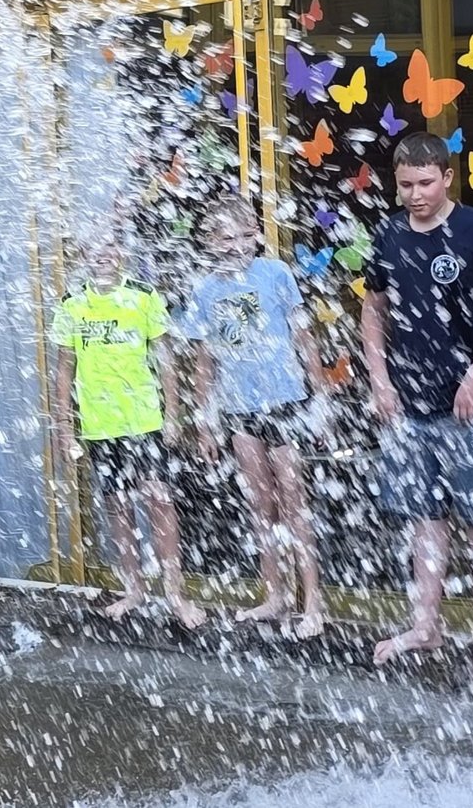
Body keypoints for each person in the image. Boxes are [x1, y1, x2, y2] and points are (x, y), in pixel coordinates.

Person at [362, 133, 473, 675]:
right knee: (423, 518)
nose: (415, 195)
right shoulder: (387, 233)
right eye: (405, 184)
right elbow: (374, 312)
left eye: (425, 183)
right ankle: (427, 624)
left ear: (448, 177)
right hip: (409, 403)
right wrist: (380, 381)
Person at [181, 200, 329, 639]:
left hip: (284, 402)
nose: (235, 246)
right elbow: (204, 360)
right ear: (209, 243)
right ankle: (275, 593)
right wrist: (205, 420)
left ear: (257, 235)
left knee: (293, 502)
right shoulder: (205, 290)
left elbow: (305, 337)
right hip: (239, 409)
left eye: (243, 236)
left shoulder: (276, 274)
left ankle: (313, 601)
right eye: (224, 238)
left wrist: (321, 403)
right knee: (260, 505)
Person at [51, 231, 207, 627]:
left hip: (145, 420)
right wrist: (65, 429)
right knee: (118, 507)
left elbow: (166, 361)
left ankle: (175, 592)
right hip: (101, 426)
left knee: (160, 501)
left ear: (121, 253)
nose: (103, 255)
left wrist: (173, 413)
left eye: (110, 248)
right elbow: (64, 371)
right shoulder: (72, 305)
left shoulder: (142, 296)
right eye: (94, 248)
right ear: (83, 253)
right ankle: (134, 589)